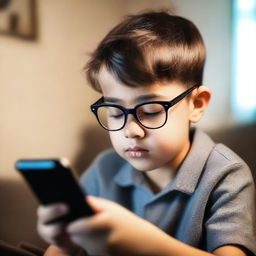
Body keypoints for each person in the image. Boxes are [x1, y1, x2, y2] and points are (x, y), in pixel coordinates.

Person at [37, 11, 256, 256]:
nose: (130, 130)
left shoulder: (225, 175)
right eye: (116, 112)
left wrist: (141, 242)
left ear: (196, 104)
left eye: (151, 111)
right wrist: (66, 242)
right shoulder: (104, 169)